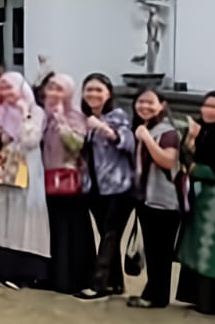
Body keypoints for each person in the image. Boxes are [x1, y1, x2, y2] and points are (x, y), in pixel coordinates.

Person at [174, 90, 215, 315]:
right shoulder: (199, 131)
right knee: (196, 245)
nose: (209, 111)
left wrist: (194, 169)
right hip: (199, 198)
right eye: (206, 106)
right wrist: (191, 138)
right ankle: (196, 297)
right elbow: (183, 158)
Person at [76, 73, 135, 300]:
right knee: (107, 235)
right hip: (95, 187)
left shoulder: (117, 116)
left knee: (110, 235)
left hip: (118, 187)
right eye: (89, 89)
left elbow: (127, 142)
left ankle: (98, 285)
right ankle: (115, 284)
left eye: (98, 90)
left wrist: (102, 127)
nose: (93, 94)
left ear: (109, 93)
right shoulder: (85, 119)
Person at [0, 72, 50, 290]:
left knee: (26, 217)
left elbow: (30, 140)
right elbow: (1, 140)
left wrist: (24, 115)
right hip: (7, 168)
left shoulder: (36, 111)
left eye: (10, 87)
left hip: (28, 168)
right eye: (2, 88)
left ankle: (27, 273)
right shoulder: (3, 111)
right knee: (6, 216)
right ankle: (5, 269)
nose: (6, 92)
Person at [35, 73, 93, 294]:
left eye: (60, 89)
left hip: (69, 183)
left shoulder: (74, 115)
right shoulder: (44, 116)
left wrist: (62, 122)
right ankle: (52, 276)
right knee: (53, 231)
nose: (54, 93)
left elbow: (76, 145)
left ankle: (72, 279)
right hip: (48, 180)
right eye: (51, 88)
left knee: (70, 232)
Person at [127, 87, 183, 309]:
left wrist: (147, 138)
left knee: (160, 250)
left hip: (164, 199)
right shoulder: (144, 128)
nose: (145, 106)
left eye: (151, 102)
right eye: (141, 102)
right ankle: (153, 293)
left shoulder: (167, 132)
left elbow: (168, 161)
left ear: (162, 105)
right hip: (146, 198)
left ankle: (157, 297)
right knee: (152, 249)